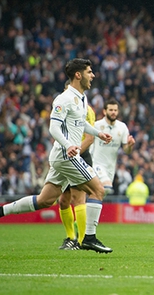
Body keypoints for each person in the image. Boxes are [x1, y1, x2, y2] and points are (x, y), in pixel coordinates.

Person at [0, 58, 113, 253]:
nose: (93, 75)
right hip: (66, 156)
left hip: (64, 156)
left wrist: (98, 133)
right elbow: (53, 127)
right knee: (98, 190)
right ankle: (89, 238)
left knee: (45, 200)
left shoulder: (82, 98)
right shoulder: (63, 99)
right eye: (89, 72)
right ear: (78, 74)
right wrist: (68, 145)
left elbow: (80, 123)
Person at [57, 79, 96, 250]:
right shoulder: (63, 107)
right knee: (63, 200)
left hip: (80, 154)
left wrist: (76, 151)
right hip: (65, 154)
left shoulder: (87, 110)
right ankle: (70, 237)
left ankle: (81, 240)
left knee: (77, 198)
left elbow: (90, 137)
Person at [90, 98, 135, 195]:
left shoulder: (122, 127)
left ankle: (87, 208)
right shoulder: (97, 125)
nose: (113, 112)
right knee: (106, 187)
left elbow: (126, 151)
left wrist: (130, 145)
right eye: (110, 110)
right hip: (97, 164)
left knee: (100, 194)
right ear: (104, 111)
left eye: (115, 110)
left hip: (111, 168)